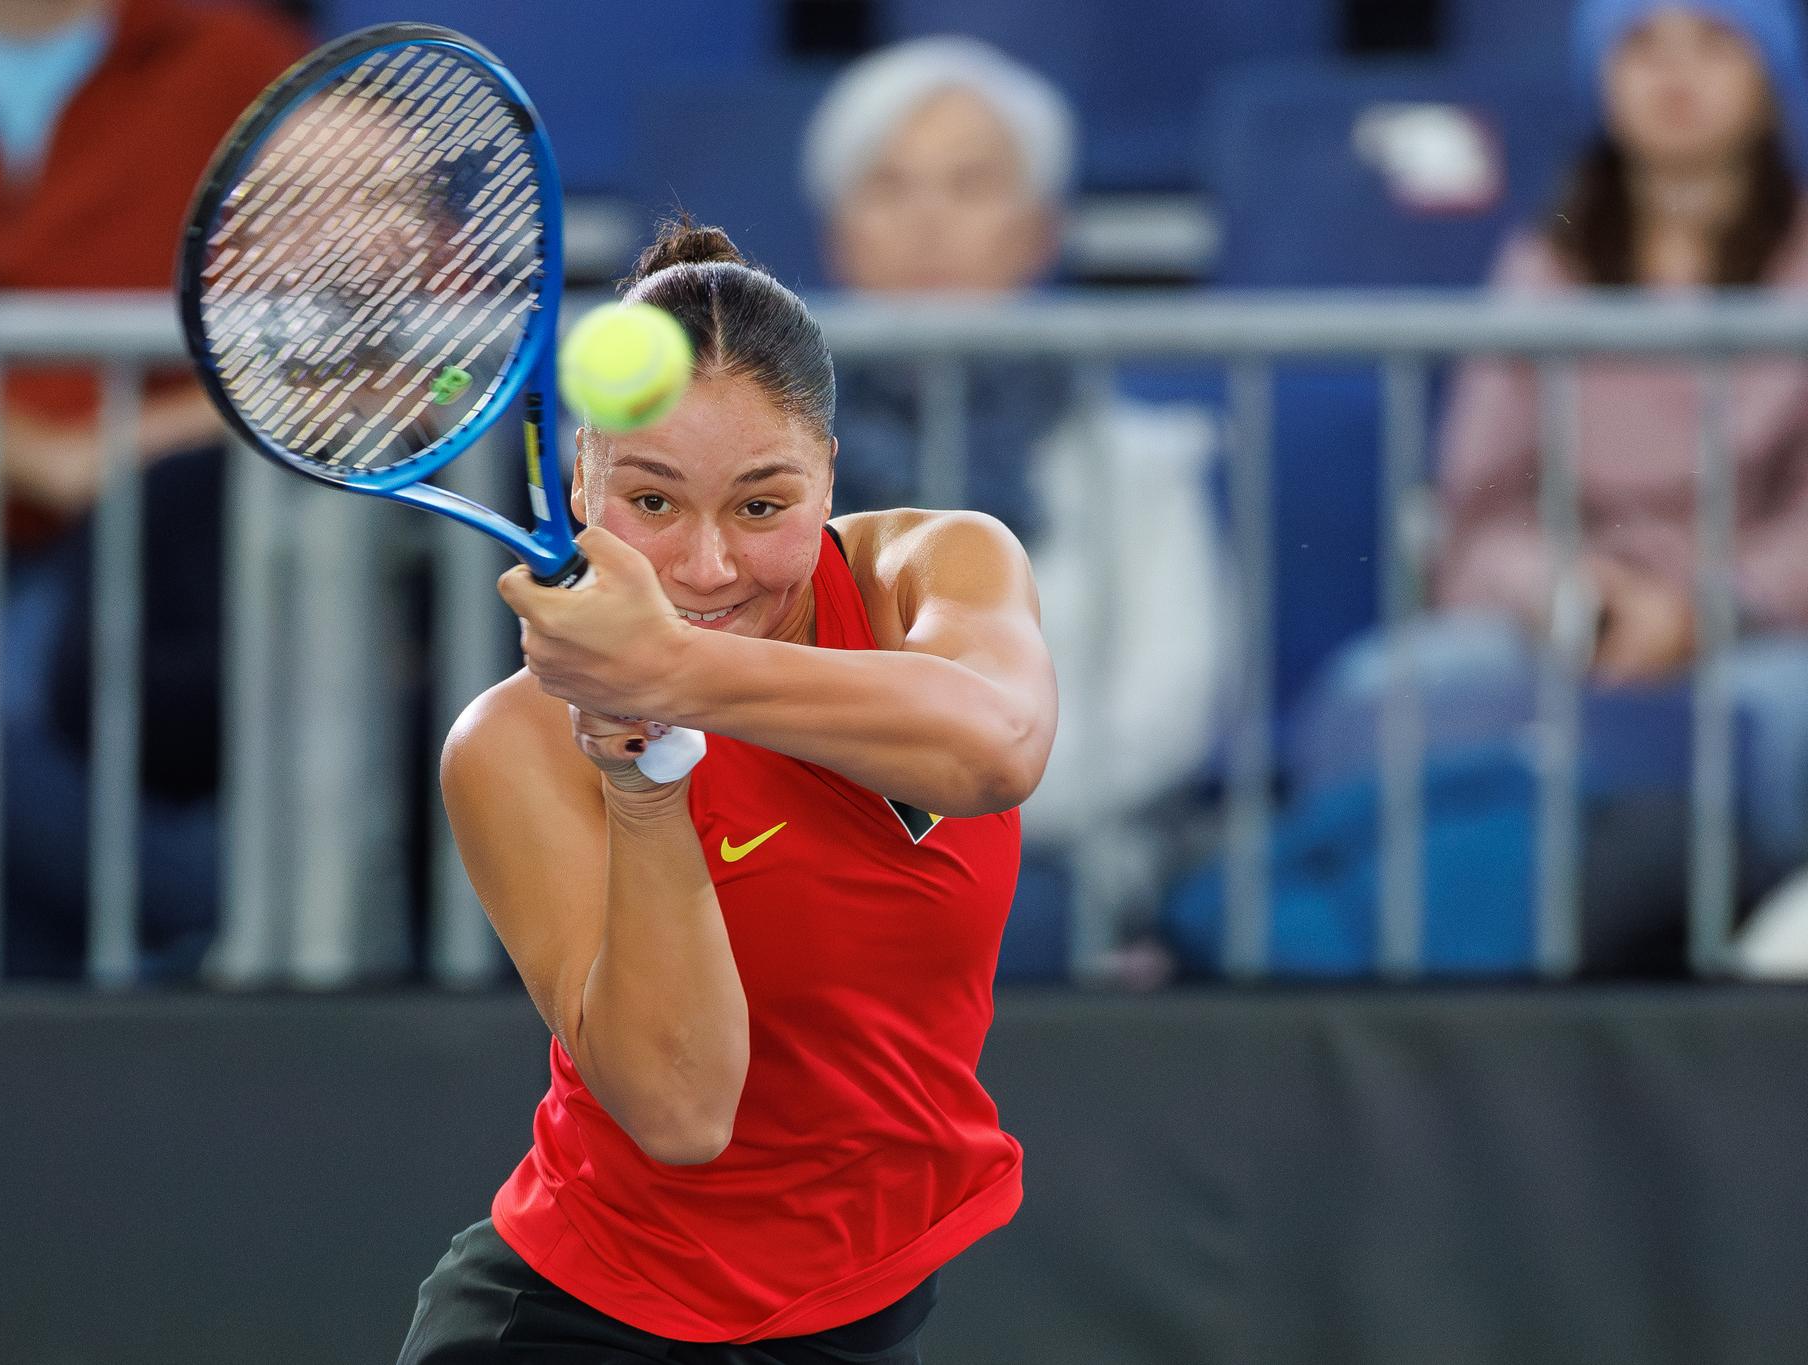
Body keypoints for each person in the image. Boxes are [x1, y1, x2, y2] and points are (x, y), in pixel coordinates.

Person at [399, 221, 1056, 1362]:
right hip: (577, 1326)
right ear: (578, 479)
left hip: (861, 1315)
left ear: (828, 476)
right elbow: (682, 1113)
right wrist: (643, 785)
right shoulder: (512, 744)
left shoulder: (934, 568)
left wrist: (669, 670)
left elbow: (997, 746)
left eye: (761, 507)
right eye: (652, 503)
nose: (706, 568)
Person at [1286, 0, 1808, 975]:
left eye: (1714, 43)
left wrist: (1709, 608)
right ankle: (1383, 975)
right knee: (1384, 694)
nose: (1676, 75)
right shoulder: (1544, 264)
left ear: (1772, 80)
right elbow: (1482, 504)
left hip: (1768, 630)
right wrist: (1573, 596)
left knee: (1785, 726)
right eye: (1643, 45)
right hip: (1566, 618)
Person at [0, 0, 305, 974]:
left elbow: (407, 347)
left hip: (136, 537)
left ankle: (266, 946)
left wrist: (127, 445)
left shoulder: (238, 63)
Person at [801, 37, 1229, 977]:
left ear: (1039, 230)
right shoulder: (761, 472)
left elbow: (1168, 709)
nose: (928, 220)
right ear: (838, 233)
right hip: (796, 838)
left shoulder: (1139, 460)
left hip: (1052, 851)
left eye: (970, 185)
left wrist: (954, 798)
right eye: (890, 186)